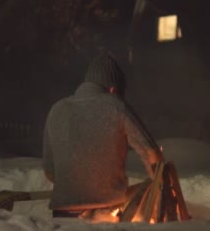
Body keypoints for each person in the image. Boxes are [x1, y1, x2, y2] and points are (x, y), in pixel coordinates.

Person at [42, 53, 162, 220]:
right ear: (113, 89)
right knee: (148, 189)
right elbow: (151, 153)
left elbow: (49, 171)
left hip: (63, 212)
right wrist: (159, 179)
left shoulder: (57, 109)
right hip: (107, 209)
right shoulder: (115, 105)